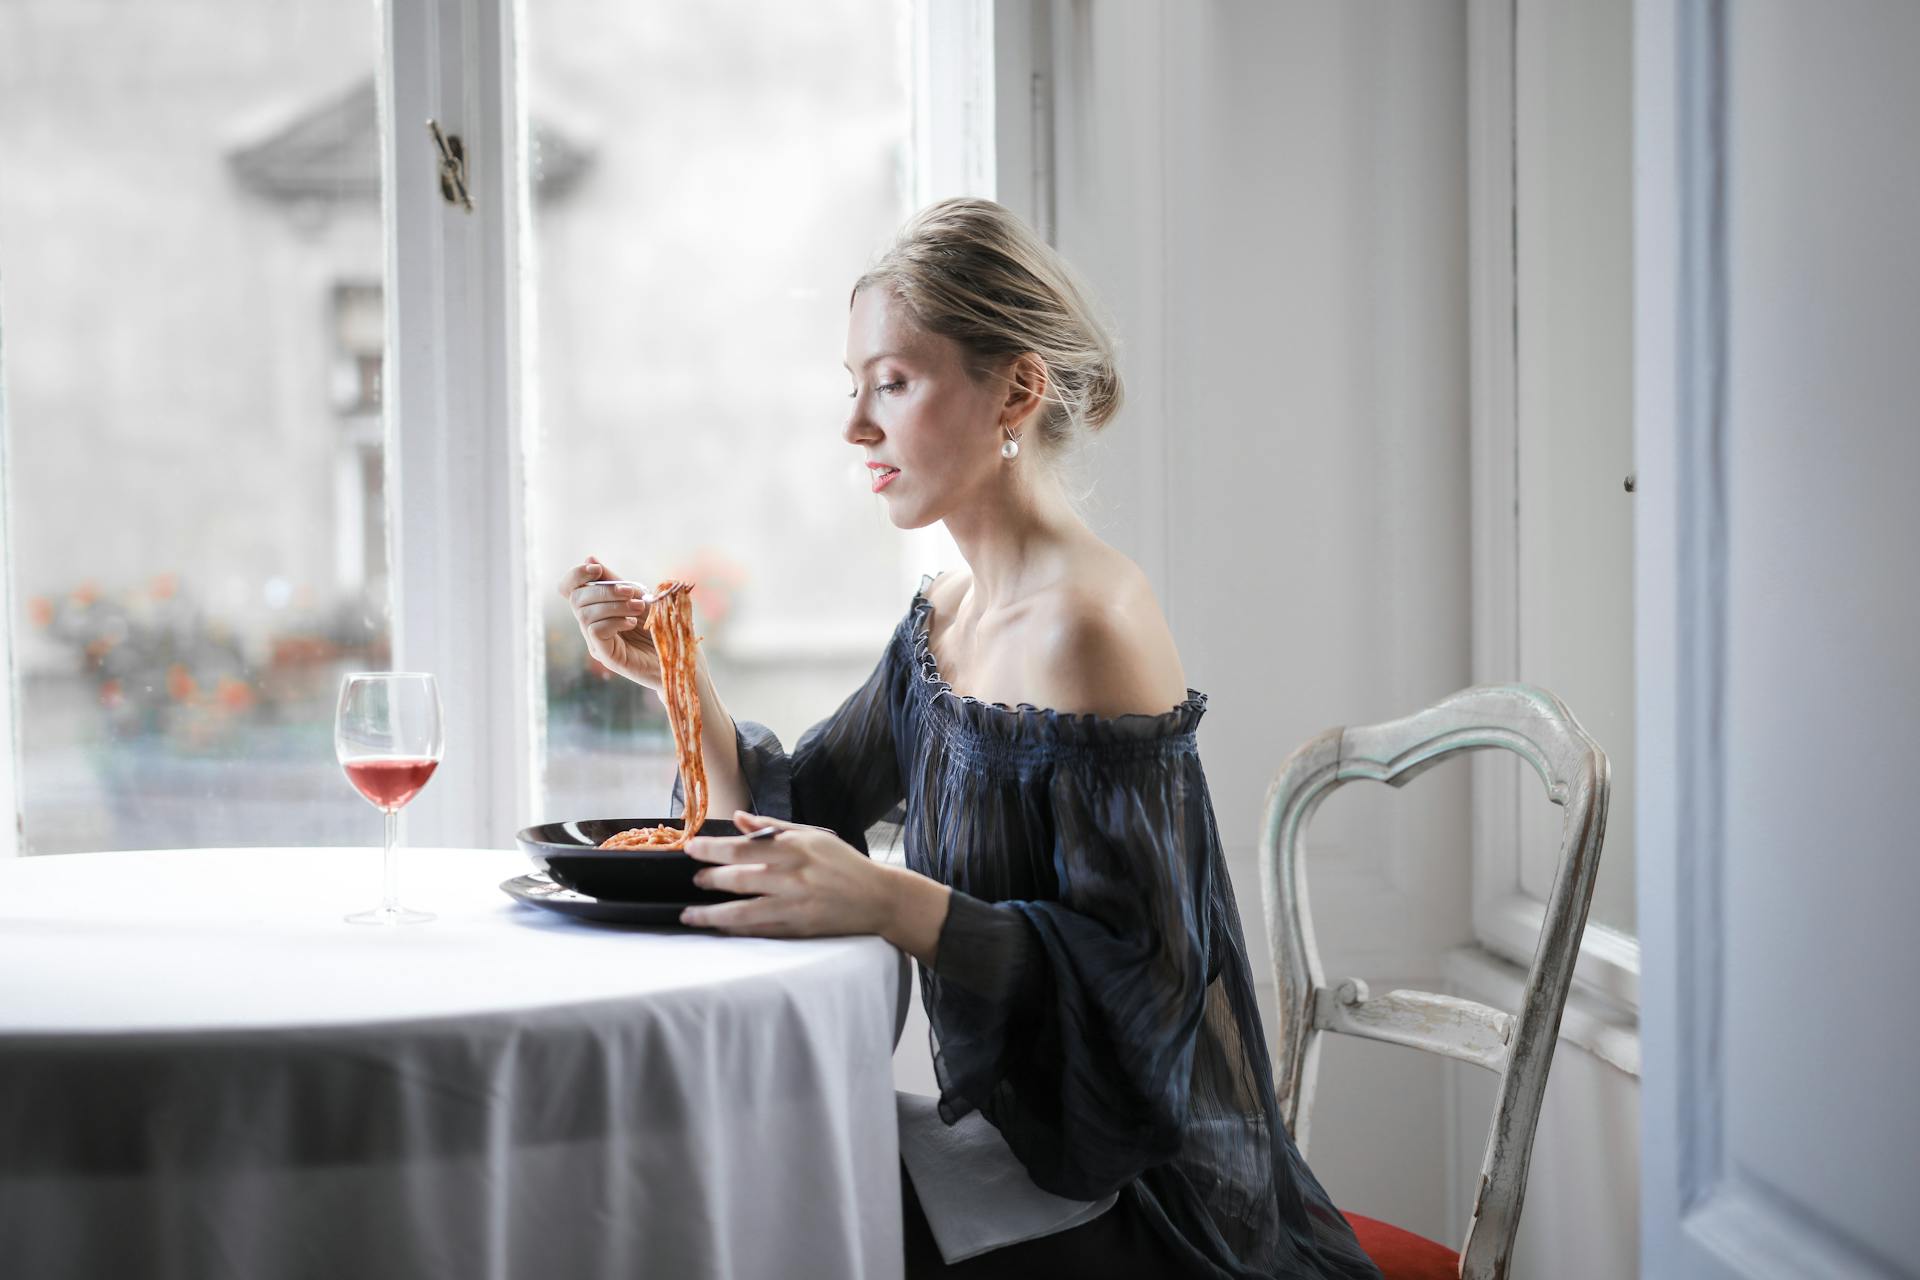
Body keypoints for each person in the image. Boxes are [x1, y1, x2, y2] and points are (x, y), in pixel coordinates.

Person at [558, 198, 1382, 1280]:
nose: (857, 426)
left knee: (749, 1215)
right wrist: (677, 674)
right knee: (714, 1184)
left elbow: (1151, 1006)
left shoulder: (1088, 626)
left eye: (892, 382)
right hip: (1020, 1161)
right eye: (852, 387)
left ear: (1017, 390)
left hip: (1144, 1204)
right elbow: (792, 809)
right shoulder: (944, 618)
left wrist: (889, 899)